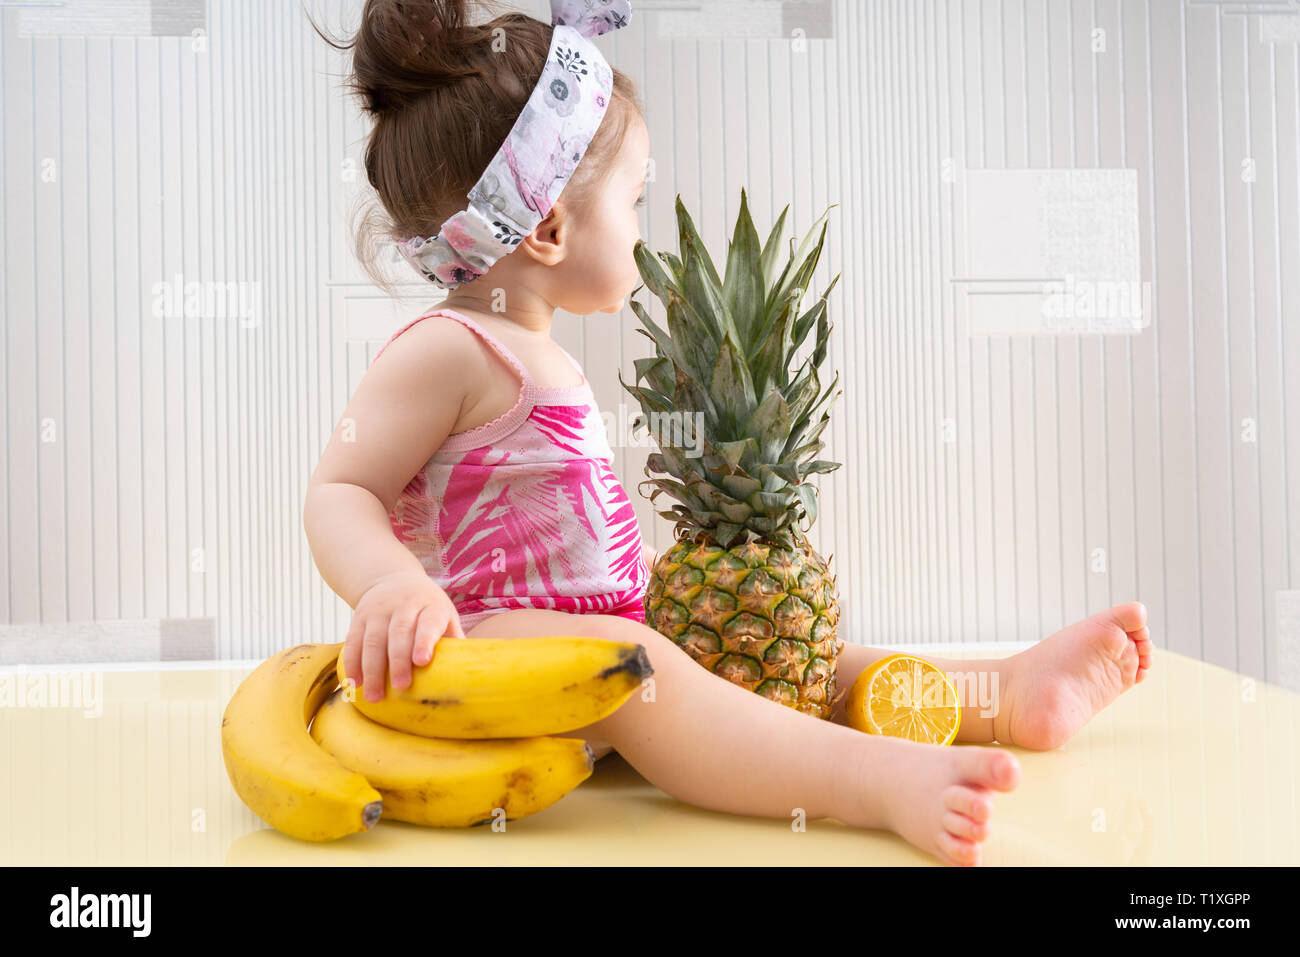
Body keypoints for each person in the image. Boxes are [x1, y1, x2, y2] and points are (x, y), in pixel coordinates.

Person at [303, 0, 1153, 866]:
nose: (641, 229)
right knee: (642, 659)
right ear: (551, 227)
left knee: (795, 658)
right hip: (486, 641)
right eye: (632, 202)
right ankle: (872, 780)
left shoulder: (527, 347)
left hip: (605, 635)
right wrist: (389, 588)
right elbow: (341, 487)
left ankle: (999, 695)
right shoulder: (448, 349)